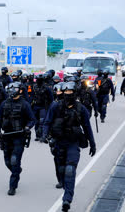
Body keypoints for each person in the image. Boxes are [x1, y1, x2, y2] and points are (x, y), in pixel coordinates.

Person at [42, 82, 96, 212]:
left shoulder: (80, 109)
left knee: (70, 170)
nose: (67, 95)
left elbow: (87, 127)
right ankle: (67, 190)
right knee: (61, 171)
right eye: (65, 93)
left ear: (74, 93)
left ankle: (67, 199)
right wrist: (44, 134)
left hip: (73, 143)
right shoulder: (55, 106)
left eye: (70, 93)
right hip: (59, 142)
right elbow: (47, 122)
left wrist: (92, 144)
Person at [0, 82, 36, 196]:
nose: (12, 90)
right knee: (8, 162)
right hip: (6, 136)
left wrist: (27, 127)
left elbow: (32, 119)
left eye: (15, 88)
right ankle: (17, 170)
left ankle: (12, 186)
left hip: (19, 137)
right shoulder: (4, 104)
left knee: (14, 160)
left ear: (20, 90)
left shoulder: (25, 104)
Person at [32, 74, 53, 142]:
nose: (38, 81)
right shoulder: (34, 87)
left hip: (43, 106)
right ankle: (37, 135)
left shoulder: (46, 88)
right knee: (36, 121)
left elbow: (51, 97)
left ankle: (42, 135)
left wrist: (49, 105)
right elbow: (32, 96)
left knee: (42, 121)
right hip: (35, 106)